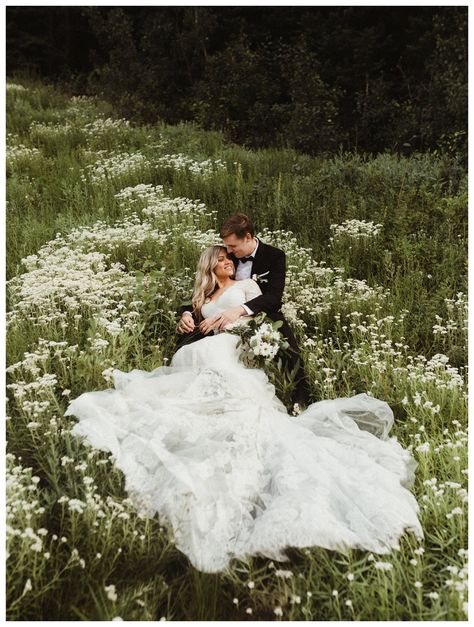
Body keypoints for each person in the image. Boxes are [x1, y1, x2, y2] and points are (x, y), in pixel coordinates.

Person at [65, 244, 423, 574]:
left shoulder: (247, 286)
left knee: (218, 364)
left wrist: (231, 320)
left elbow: (260, 315)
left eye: (229, 258)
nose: (229, 262)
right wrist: (185, 318)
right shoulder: (202, 296)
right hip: (194, 352)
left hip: (225, 346)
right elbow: (191, 314)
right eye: (221, 259)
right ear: (210, 266)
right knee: (189, 363)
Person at [177, 213, 311, 407]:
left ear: (247, 237)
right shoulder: (230, 256)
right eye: (227, 247)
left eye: (232, 246)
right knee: (190, 344)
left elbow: (273, 297)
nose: (228, 251)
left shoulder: (274, 256)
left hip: (262, 311)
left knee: (290, 349)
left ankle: (301, 397)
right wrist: (187, 313)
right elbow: (208, 291)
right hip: (222, 321)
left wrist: (240, 310)